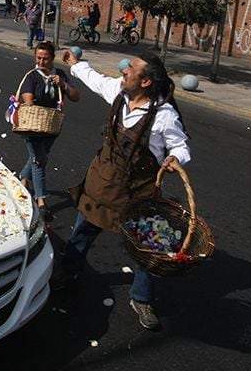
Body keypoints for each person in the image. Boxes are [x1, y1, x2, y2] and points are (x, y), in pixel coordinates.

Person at [54, 51, 191, 331]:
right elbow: (95, 80)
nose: (125, 70)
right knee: (84, 228)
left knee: (146, 248)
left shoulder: (164, 115)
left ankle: (141, 298)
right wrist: (74, 64)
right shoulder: (118, 92)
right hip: (103, 181)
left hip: (139, 192)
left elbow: (181, 145)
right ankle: (70, 271)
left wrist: (176, 158)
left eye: (132, 68)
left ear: (146, 82)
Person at [16, 41, 80, 220]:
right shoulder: (32, 76)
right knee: (40, 159)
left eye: (45, 59)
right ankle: (41, 199)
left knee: (38, 155)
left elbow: (76, 97)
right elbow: (27, 95)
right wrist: (29, 102)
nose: (41, 62)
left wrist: (64, 86)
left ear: (52, 58)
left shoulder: (59, 75)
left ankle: (23, 178)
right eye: (38, 58)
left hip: (51, 125)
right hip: (33, 124)